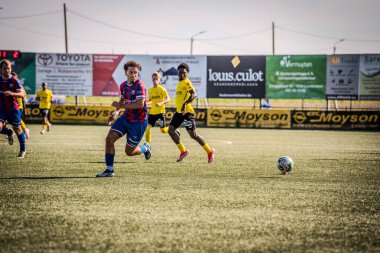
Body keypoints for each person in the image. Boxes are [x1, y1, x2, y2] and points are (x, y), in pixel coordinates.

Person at [96, 60, 151, 178]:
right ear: (126, 73)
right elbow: (122, 100)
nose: (133, 75)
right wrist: (116, 112)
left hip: (138, 123)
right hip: (125, 118)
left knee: (129, 152)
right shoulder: (123, 86)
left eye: (135, 72)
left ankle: (145, 148)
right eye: (131, 72)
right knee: (109, 139)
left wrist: (121, 106)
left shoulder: (140, 86)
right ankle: (109, 170)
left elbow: (140, 104)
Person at [168, 63, 215, 163]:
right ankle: (183, 151)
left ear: (187, 73)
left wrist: (185, 103)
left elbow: (194, 94)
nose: (182, 74)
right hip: (179, 112)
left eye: (184, 73)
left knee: (193, 135)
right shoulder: (180, 83)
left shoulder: (186, 82)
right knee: (170, 130)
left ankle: (209, 151)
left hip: (187, 113)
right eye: (180, 72)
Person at [0, 59, 27, 158]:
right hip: (1, 109)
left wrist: (12, 93)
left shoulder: (15, 80)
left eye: (8, 68)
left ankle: (22, 150)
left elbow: (22, 94)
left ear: (11, 69)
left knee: (18, 129)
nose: (7, 70)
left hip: (13, 108)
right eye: (4, 68)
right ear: (1, 69)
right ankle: (8, 132)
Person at [145, 72, 170, 144]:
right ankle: (148, 144)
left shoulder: (162, 89)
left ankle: (172, 129)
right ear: (152, 79)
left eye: (156, 78)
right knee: (147, 128)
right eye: (153, 78)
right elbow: (151, 101)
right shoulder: (150, 90)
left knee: (163, 130)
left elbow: (168, 99)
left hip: (160, 112)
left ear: (159, 79)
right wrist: (145, 103)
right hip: (152, 112)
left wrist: (161, 103)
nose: (155, 80)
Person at [12, 72, 30, 139]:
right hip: (12, 106)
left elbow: (24, 99)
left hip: (19, 106)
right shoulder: (9, 85)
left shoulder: (20, 86)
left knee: (17, 120)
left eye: (14, 77)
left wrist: (25, 109)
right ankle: (15, 132)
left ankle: (25, 130)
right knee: (14, 120)